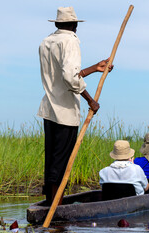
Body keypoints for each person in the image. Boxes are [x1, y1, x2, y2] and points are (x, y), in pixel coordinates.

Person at [37, 6, 113, 205]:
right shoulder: (70, 41)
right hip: (65, 111)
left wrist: (95, 68)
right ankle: (57, 208)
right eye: (76, 25)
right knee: (61, 164)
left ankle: (51, 204)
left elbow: (64, 75)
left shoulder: (46, 42)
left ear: (56, 24)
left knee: (52, 161)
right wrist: (90, 100)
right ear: (73, 25)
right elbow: (70, 78)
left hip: (49, 109)